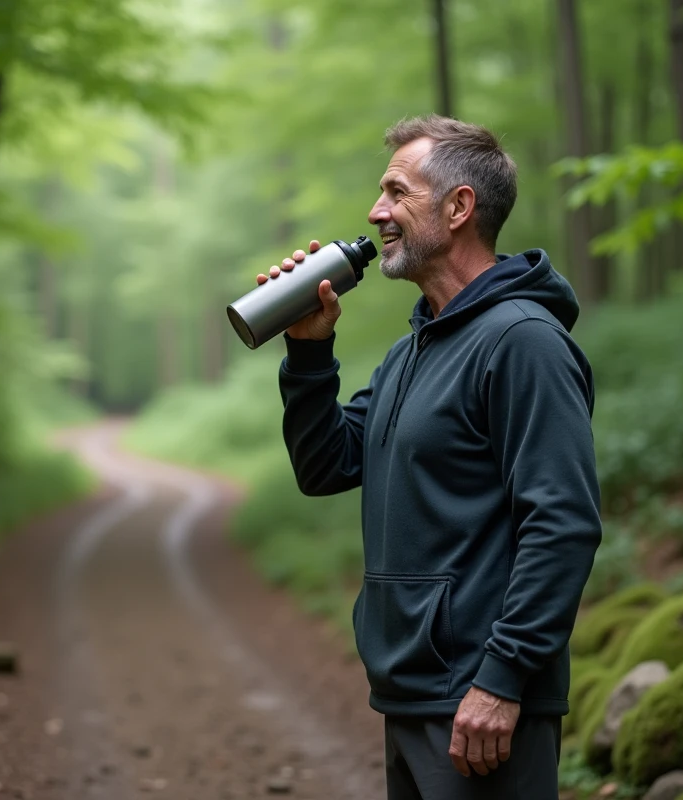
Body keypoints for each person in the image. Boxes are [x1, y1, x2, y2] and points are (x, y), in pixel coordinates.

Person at [256, 115, 602, 799]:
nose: (375, 211)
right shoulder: (413, 351)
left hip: (482, 706)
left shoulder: (524, 343)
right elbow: (326, 466)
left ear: (459, 206)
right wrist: (308, 350)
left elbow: (562, 523)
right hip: (413, 692)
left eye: (396, 192)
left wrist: (502, 679)